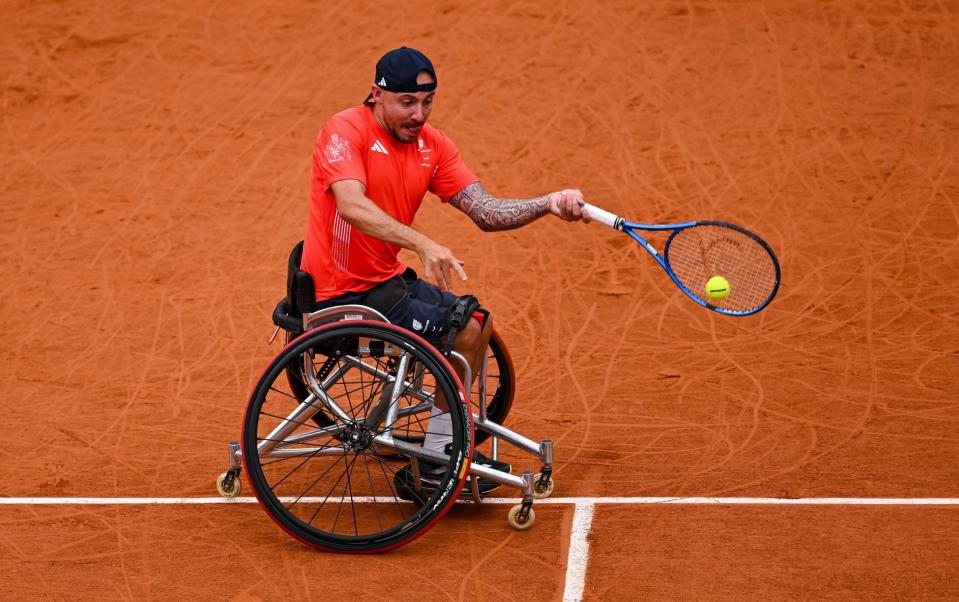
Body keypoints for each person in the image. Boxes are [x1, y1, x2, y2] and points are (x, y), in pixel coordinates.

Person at [300, 46, 589, 494]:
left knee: (478, 322)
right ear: (377, 95)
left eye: (428, 101)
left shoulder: (431, 147)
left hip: (384, 283)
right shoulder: (344, 132)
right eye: (407, 103)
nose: (419, 114)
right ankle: (437, 463)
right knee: (465, 333)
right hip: (343, 293)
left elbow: (488, 211)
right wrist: (422, 242)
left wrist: (548, 204)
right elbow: (352, 205)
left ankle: (443, 442)